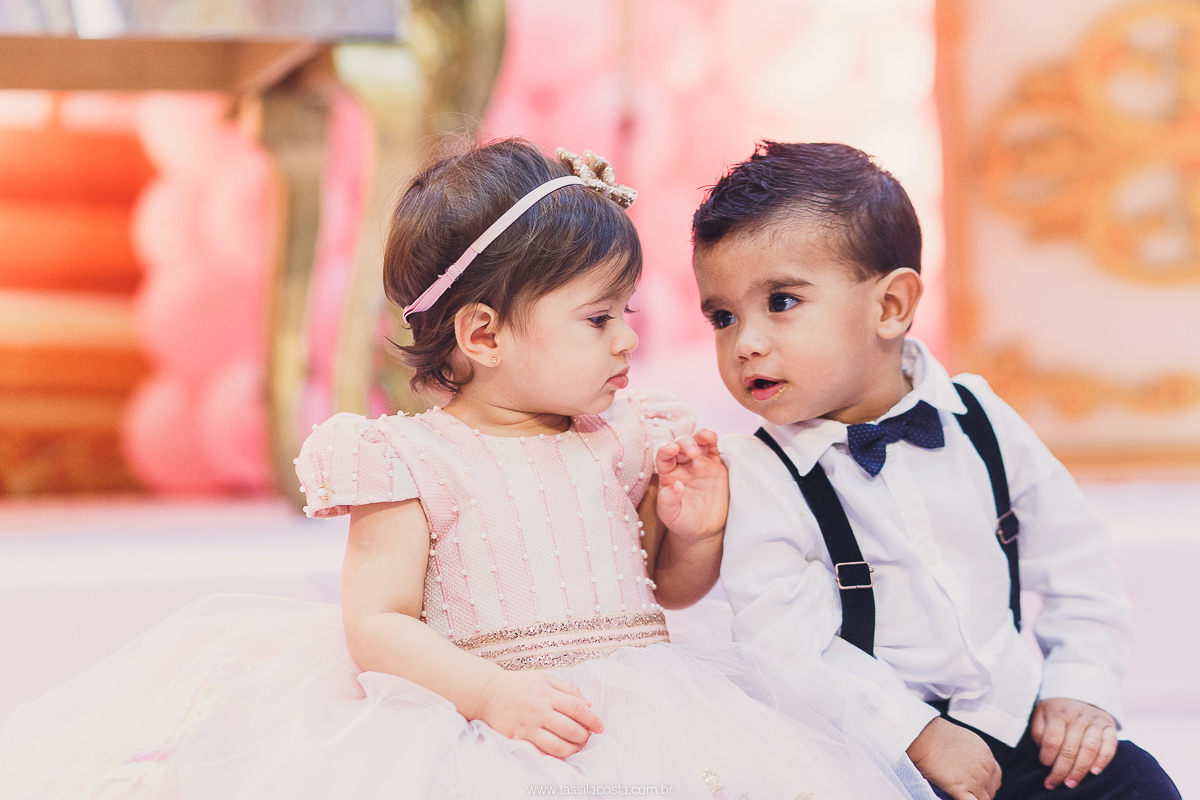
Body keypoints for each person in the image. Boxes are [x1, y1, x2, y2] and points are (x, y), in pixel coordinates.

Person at [0, 139, 936, 800]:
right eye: (598, 318)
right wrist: (490, 695)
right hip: (487, 711)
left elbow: (666, 590)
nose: (626, 341)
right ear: (483, 334)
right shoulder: (412, 461)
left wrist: (693, 533)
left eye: (627, 315)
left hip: (646, 700)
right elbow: (376, 622)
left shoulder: (624, 439)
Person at [691, 140, 1182, 800]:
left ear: (891, 306)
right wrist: (915, 733)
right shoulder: (758, 472)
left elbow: (1077, 560)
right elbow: (785, 644)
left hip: (1011, 715)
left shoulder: (980, 417)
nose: (745, 342)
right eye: (723, 317)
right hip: (876, 750)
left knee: (1136, 782)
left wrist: (1078, 689)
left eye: (780, 302)